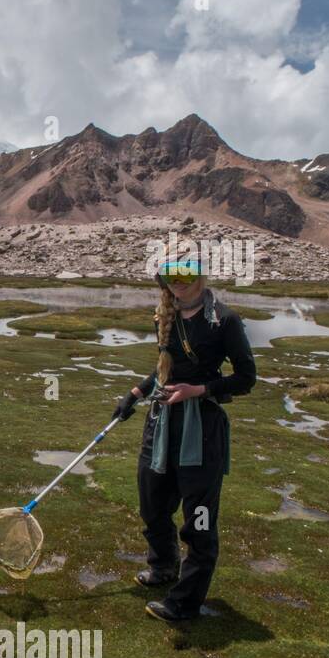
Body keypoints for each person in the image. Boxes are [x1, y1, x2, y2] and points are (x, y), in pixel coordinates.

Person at [111, 259, 256, 621]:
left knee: (200, 520)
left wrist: (198, 390)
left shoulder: (225, 320)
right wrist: (134, 394)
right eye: (169, 277)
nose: (177, 284)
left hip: (202, 433)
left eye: (185, 275)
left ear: (201, 276)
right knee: (152, 503)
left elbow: (246, 377)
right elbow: (164, 368)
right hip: (160, 425)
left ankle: (185, 602)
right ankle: (163, 567)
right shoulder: (165, 318)